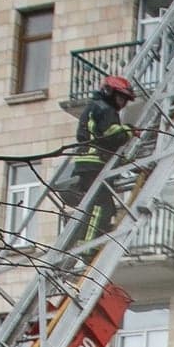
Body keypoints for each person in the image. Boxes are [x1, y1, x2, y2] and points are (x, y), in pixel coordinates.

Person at [59, 74, 135, 242]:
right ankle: (89, 245)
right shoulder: (106, 109)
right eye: (120, 98)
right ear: (110, 92)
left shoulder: (96, 107)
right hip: (95, 163)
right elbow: (111, 135)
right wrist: (129, 130)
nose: (122, 103)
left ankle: (79, 239)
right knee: (103, 206)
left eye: (125, 100)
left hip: (87, 162)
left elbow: (102, 140)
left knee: (94, 204)